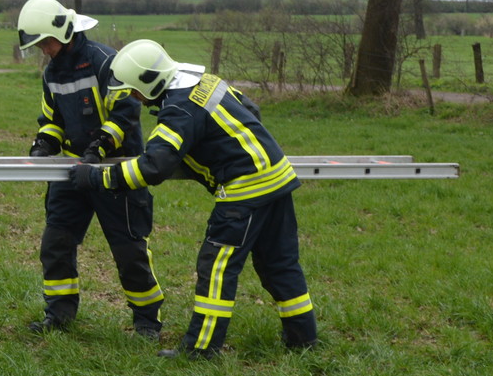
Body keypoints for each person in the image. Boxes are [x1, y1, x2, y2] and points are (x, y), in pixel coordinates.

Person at [77, 38, 318, 358]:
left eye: (134, 89)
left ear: (150, 82)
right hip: (278, 177)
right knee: (280, 263)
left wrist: (97, 177)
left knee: (216, 268)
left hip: (245, 190)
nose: (133, 97)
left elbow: (154, 166)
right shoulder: (205, 80)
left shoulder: (178, 109)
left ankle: (201, 349)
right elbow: (252, 110)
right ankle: (303, 339)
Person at [15, 0, 163, 339]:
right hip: (72, 170)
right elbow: (51, 119)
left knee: (128, 249)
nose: (44, 51)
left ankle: (146, 322)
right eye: (39, 46)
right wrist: (45, 144)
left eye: (46, 43)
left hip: (115, 168)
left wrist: (99, 149)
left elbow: (124, 115)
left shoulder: (105, 62)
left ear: (64, 33)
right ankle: (60, 316)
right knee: (56, 244)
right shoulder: (52, 73)